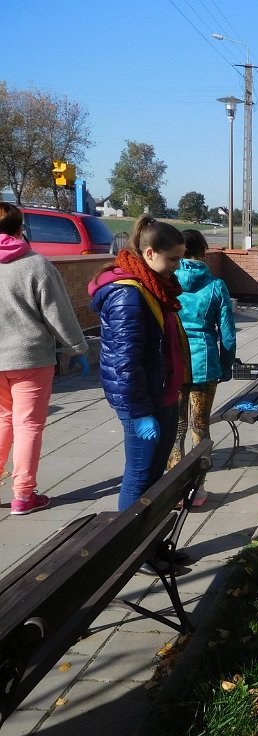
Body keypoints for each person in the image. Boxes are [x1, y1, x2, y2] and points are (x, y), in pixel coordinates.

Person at [89, 216, 188, 513]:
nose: (176, 266)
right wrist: (141, 413)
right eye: (172, 259)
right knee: (139, 478)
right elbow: (125, 362)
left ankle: (149, 549)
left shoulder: (154, 286)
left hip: (164, 394)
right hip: (143, 402)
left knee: (155, 479)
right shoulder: (128, 293)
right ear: (149, 253)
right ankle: (127, 553)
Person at [0, 203, 89, 515]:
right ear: (20, 228)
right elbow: (59, 314)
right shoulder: (35, 264)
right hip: (31, 358)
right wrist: (77, 348)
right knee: (28, 425)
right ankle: (23, 495)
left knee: (2, 420)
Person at [167, 229, 237, 506]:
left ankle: (174, 491)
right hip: (205, 363)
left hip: (174, 362)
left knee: (176, 428)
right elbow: (228, 334)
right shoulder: (216, 285)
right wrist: (226, 365)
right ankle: (198, 489)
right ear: (204, 252)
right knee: (201, 427)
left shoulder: (167, 281)